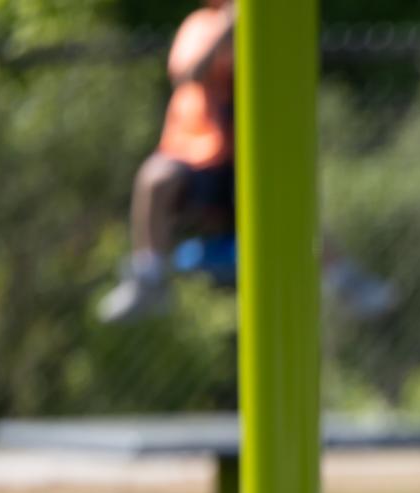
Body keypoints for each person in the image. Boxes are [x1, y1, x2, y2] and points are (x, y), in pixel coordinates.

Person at [97, 1, 394, 324]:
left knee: (290, 206)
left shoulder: (270, 29)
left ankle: (344, 279)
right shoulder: (202, 25)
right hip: (196, 157)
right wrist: (228, 25)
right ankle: (149, 277)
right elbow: (189, 74)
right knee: (155, 178)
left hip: (247, 154)